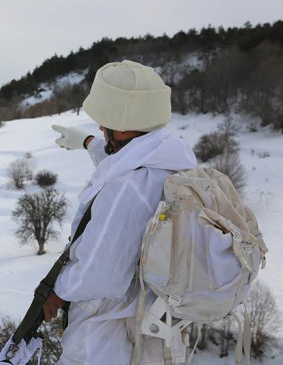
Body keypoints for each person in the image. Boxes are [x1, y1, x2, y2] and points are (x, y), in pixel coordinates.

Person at [47, 60, 197, 364]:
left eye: (106, 122)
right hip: (157, 328)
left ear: (127, 123)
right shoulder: (171, 159)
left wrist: (56, 293)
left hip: (111, 335)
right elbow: (125, 166)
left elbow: (99, 274)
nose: (101, 128)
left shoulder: (129, 188)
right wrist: (89, 144)